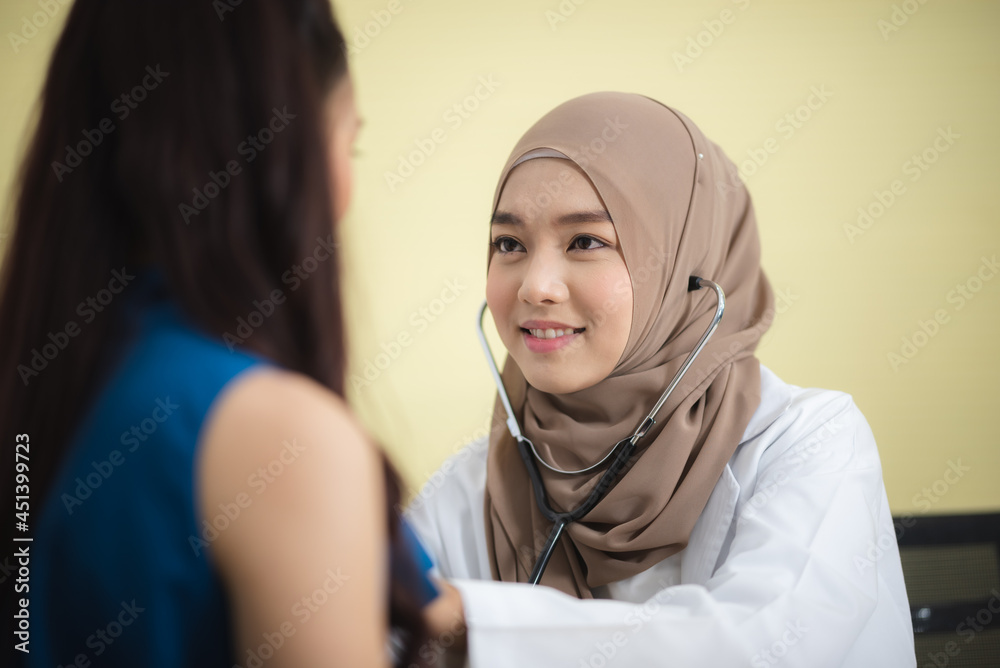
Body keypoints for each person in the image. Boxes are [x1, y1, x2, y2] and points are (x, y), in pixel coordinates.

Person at [0, 1, 446, 666]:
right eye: (347, 142)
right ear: (285, 156)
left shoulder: (52, 380)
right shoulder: (278, 436)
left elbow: (431, 605)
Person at [407, 92, 917, 666]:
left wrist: (466, 622)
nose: (535, 287)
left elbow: (763, 647)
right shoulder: (467, 491)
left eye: (586, 241)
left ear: (687, 274)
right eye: (510, 244)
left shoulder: (809, 441)